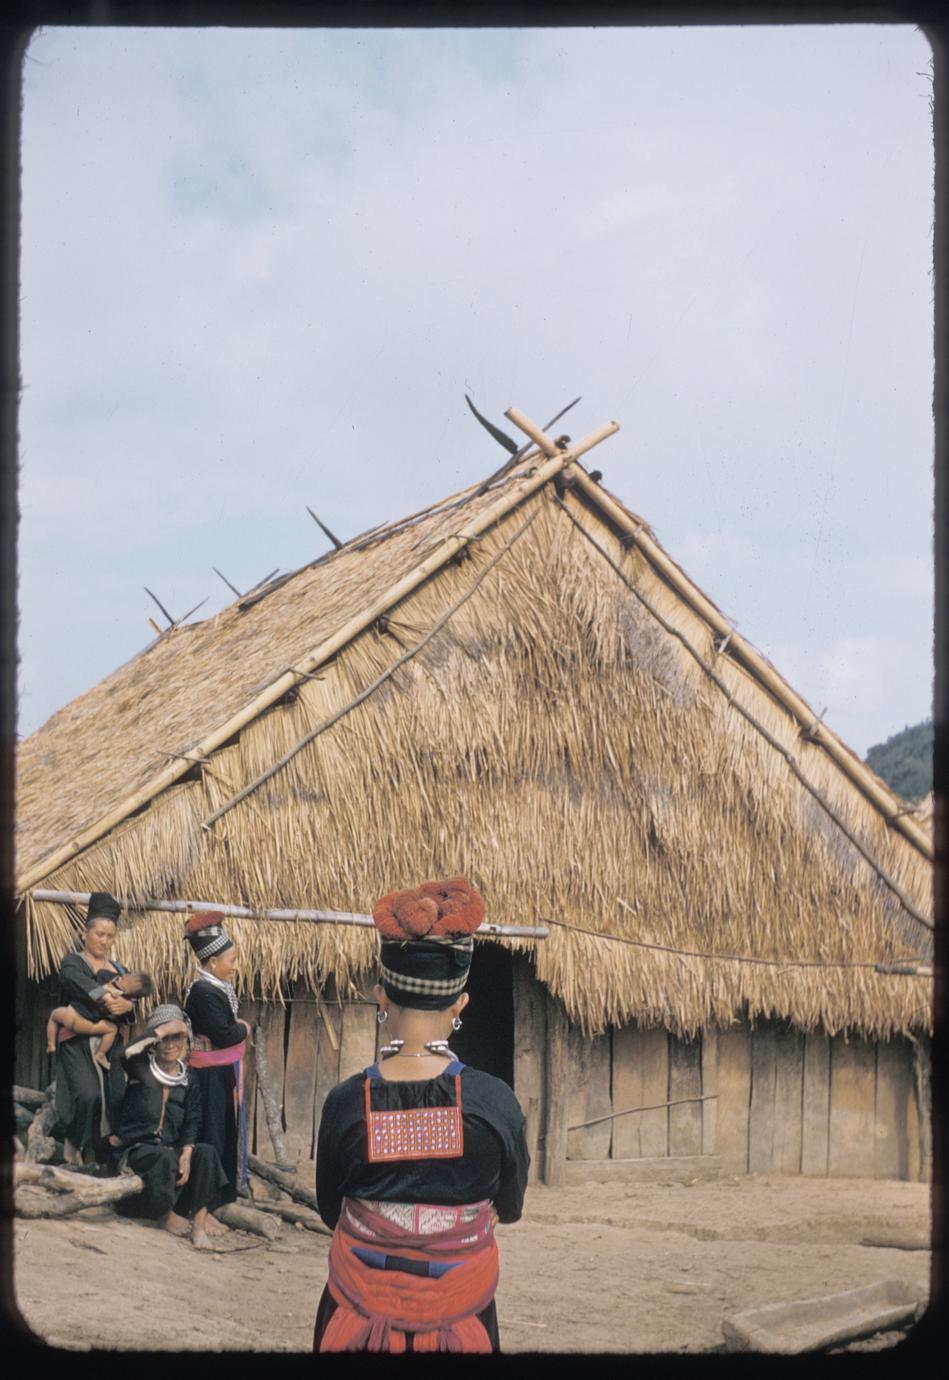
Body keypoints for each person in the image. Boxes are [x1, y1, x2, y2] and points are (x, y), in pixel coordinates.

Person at [313, 876, 529, 1354]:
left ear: (381, 997)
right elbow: (509, 1207)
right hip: (464, 1312)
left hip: (355, 1312)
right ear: (460, 1004)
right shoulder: (494, 1103)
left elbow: (331, 1210)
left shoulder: (346, 1104)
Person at [112, 1005, 230, 1249]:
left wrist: (187, 1152)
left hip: (171, 1149)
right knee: (164, 1157)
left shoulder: (189, 1078)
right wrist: (161, 1030)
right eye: (164, 1039)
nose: (170, 1044)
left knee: (207, 1153)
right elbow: (123, 1053)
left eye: (177, 1038)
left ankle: (199, 1225)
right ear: (155, 1041)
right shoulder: (140, 1066)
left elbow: (193, 1119)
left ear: (185, 1041)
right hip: (140, 1150)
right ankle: (165, 1215)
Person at [54, 891, 135, 1167]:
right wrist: (108, 996)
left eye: (110, 936)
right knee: (87, 1094)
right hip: (78, 1040)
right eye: (99, 934)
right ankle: (73, 1141)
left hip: (111, 1046)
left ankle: (102, 1156)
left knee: (116, 1097)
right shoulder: (73, 962)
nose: (104, 941)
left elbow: (132, 1002)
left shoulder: (120, 969)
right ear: (84, 934)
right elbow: (78, 984)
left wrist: (128, 1006)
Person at [182, 912, 252, 1205]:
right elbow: (224, 1034)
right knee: (213, 1135)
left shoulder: (215, 989)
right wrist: (244, 1028)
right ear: (212, 962)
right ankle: (207, 1201)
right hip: (209, 1078)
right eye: (231, 960)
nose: (234, 966)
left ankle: (220, 1198)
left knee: (222, 1132)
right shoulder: (204, 992)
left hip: (219, 1076)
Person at [46, 971, 154, 1069]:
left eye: (129, 977)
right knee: (112, 1029)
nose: (126, 975)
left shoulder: (105, 980)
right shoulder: (122, 1001)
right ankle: (100, 1054)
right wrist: (129, 1005)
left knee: (53, 1016)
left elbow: (95, 984)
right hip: (85, 1024)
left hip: (70, 1013)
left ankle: (51, 1044)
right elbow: (129, 1019)